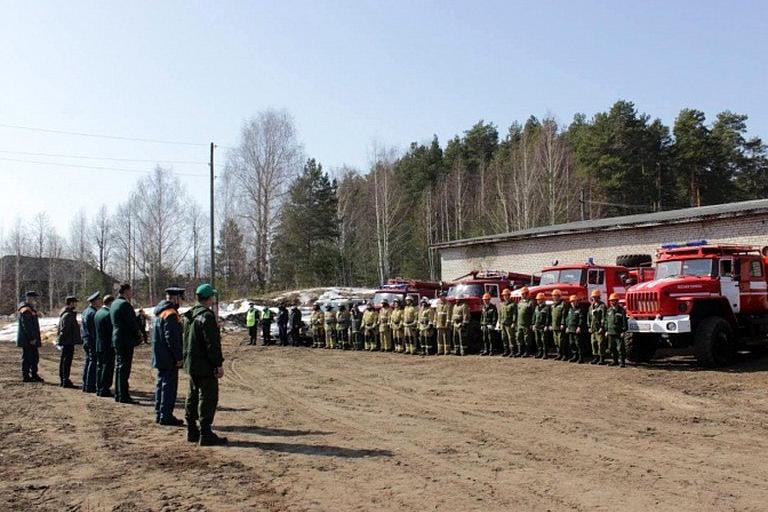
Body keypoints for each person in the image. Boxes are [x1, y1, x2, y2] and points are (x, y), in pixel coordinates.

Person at [183, 283, 227, 446]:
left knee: (192, 396)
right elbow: (212, 344)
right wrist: (218, 364)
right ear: (209, 298)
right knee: (208, 397)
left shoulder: (190, 315)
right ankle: (206, 432)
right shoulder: (207, 317)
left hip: (192, 363)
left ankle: (192, 430)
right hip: (205, 365)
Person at [152, 287, 186, 426]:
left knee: (161, 385)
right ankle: (166, 415)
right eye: (181, 298)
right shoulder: (171, 314)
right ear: (175, 298)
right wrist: (178, 357)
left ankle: (160, 413)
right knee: (169, 387)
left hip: (160, 356)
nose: (182, 301)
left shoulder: (160, 312)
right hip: (168, 357)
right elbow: (172, 339)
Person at [111, 283, 142, 404]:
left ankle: (119, 393)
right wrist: (138, 335)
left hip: (117, 338)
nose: (131, 293)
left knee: (119, 367)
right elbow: (132, 323)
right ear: (126, 291)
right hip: (125, 339)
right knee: (124, 368)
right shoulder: (125, 305)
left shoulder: (114, 303)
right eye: (130, 291)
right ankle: (123, 394)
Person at [17, 291, 44, 383]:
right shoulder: (26, 310)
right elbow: (27, 326)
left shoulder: (30, 309)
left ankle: (34, 374)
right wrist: (32, 338)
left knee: (34, 357)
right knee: (28, 358)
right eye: (34, 298)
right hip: (28, 340)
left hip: (31, 339)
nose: (35, 301)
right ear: (29, 299)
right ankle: (26, 376)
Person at [57, 296, 81, 388]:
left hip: (67, 341)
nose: (76, 304)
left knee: (65, 361)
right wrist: (60, 341)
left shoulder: (67, 314)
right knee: (66, 362)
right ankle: (65, 380)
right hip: (68, 342)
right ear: (71, 303)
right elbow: (64, 330)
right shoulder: (68, 315)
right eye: (75, 302)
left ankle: (64, 379)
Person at [94, 295, 115, 397]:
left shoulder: (98, 313)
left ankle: (99, 387)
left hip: (99, 344)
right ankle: (104, 389)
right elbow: (111, 330)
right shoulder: (108, 314)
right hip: (107, 345)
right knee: (107, 368)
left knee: (99, 367)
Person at [80, 291, 101, 393]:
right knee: (93, 362)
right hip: (91, 340)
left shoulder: (85, 312)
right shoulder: (93, 313)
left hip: (85, 339)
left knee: (88, 361)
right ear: (94, 301)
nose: (100, 302)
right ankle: (90, 385)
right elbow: (94, 330)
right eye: (98, 300)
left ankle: (85, 383)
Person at [605, 293, 629, 367]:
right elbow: (606, 321)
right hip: (610, 332)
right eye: (611, 301)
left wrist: (623, 331)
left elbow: (624, 322)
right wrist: (606, 330)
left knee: (620, 348)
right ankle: (615, 361)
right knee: (612, 348)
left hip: (618, 333)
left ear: (617, 301)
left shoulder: (621, 310)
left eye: (614, 301)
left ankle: (622, 362)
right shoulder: (609, 310)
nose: (612, 302)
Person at [549, 289, 570, 361]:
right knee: (556, 341)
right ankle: (559, 354)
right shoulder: (552, 305)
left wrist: (563, 323)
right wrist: (551, 325)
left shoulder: (563, 304)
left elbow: (564, 315)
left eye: (556, 296)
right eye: (554, 296)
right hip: (554, 326)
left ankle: (565, 355)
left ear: (559, 296)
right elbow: (551, 316)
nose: (555, 297)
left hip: (560, 326)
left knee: (562, 341)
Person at [588, 289, 607, 365]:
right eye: (593, 297)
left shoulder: (602, 306)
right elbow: (588, 317)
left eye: (596, 297)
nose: (594, 298)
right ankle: (596, 358)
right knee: (594, 343)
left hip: (599, 328)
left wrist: (602, 327)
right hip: (593, 328)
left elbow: (604, 317)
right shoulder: (591, 306)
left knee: (601, 343)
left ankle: (602, 359)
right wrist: (589, 326)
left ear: (599, 297)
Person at [566, 295, 586, 363]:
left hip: (577, 329)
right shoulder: (570, 310)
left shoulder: (580, 309)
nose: (573, 303)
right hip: (571, 329)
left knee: (579, 344)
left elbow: (582, 319)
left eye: (575, 301)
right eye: (572, 302)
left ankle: (581, 358)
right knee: (572, 343)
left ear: (577, 302)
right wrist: (567, 327)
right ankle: (575, 356)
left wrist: (579, 327)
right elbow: (568, 319)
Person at [515, 287, 534, 357]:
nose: (522, 295)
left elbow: (533, 313)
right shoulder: (520, 302)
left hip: (527, 324)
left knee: (527, 338)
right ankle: (520, 351)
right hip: (520, 323)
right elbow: (518, 313)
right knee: (519, 337)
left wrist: (532, 323)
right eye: (522, 294)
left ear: (527, 294)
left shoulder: (531, 302)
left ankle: (527, 352)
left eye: (524, 294)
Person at [533, 292, 552, 359]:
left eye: (539, 299)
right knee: (538, 340)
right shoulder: (536, 307)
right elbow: (534, 316)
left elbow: (548, 317)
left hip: (543, 326)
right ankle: (540, 352)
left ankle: (545, 353)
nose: (538, 301)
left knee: (544, 340)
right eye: (537, 299)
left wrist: (547, 325)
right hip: (537, 326)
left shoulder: (547, 308)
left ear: (543, 300)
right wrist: (533, 324)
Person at [498, 289, 516, 357]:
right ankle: (506, 351)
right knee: (504, 337)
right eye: (504, 295)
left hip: (509, 323)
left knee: (511, 338)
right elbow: (500, 314)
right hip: (503, 323)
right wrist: (499, 322)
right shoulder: (502, 304)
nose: (505, 297)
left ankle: (512, 352)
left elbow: (514, 314)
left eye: (506, 295)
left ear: (509, 295)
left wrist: (513, 322)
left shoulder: (513, 304)